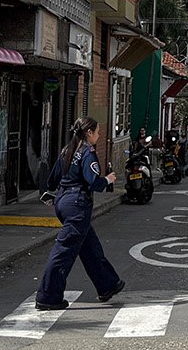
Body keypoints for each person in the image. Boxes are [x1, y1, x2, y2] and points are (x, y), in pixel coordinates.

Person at [34, 117, 126, 311]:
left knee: (90, 246)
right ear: (89, 133)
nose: (99, 136)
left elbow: (52, 180)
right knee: (63, 252)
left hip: (64, 201)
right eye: (97, 132)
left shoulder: (67, 150)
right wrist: (108, 180)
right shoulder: (87, 153)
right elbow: (93, 182)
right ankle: (48, 296)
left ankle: (107, 284)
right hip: (77, 206)